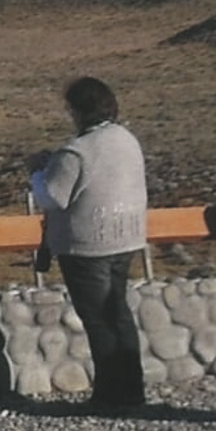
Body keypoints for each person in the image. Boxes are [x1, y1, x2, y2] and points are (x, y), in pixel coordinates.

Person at [30, 76, 148, 411]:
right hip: (126, 237)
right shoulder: (126, 139)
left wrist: (37, 172)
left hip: (87, 243)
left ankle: (110, 395)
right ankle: (132, 390)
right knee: (118, 313)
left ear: (78, 110)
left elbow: (52, 196)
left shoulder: (77, 151)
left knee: (98, 319)